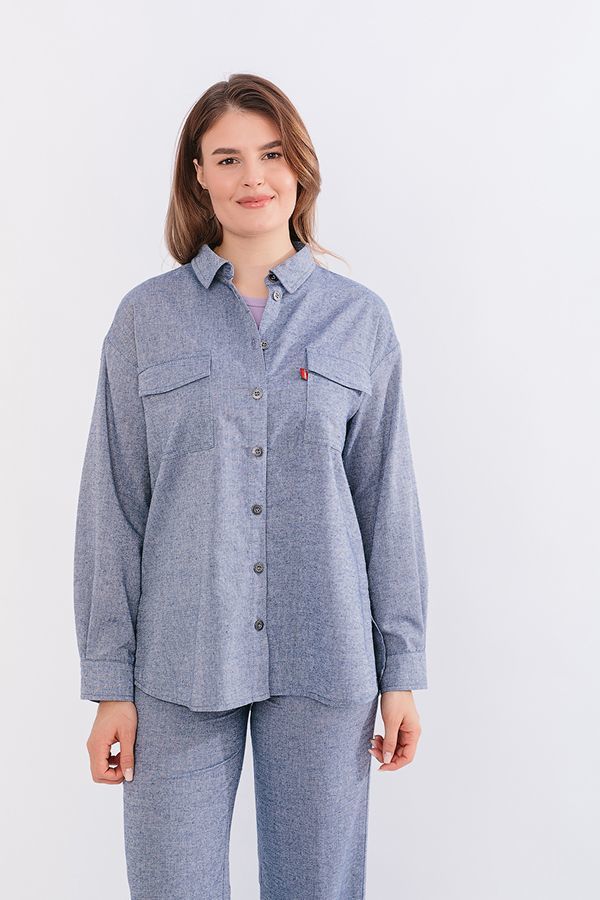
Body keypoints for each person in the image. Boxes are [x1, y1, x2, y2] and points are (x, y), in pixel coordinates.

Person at [73, 72, 429, 899]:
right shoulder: (146, 319)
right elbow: (113, 507)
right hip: (178, 665)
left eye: (270, 154)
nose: (252, 177)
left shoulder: (360, 320)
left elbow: (387, 504)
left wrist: (401, 670)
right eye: (228, 158)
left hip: (327, 658)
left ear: (299, 166)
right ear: (198, 174)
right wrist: (108, 684)